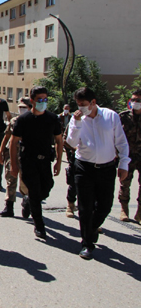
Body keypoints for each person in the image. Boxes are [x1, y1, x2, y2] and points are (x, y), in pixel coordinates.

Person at [66, 87, 129, 260]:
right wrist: (77, 123)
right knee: (85, 208)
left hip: (107, 168)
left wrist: (124, 163)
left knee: (105, 206)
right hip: (84, 168)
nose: (80, 108)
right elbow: (71, 143)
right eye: (78, 104)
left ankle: (91, 227)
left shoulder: (110, 116)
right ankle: (87, 243)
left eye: (83, 104)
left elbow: (121, 142)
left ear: (93, 102)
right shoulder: (77, 119)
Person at [9, 86, 63, 239]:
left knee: (46, 187)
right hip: (28, 161)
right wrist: (14, 165)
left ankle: (27, 200)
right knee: (35, 191)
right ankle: (39, 225)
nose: (43, 102)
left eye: (45, 99)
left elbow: (59, 140)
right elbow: (14, 142)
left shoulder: (52, 119)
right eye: (40, 100)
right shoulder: (23, 120)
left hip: (45, 161)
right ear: (32, 101)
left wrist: (59, 161)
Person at [0, 98, 31, 217]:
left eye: (24, 107)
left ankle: (27, 202)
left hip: (26, 155)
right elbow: (6, 137)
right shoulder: (13, 121)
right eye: (20, 107)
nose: (21, 109)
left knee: (25, 181)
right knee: (10, 179)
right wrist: (0, 152)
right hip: (12, 154)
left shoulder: (33, 121)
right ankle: (9, 206)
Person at [119, 89, 141, 222]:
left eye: (138, 100)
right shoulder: (123, 117)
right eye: (133, 100)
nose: (135, 103)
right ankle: (124, 209)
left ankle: (139, 212)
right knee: (125, 183)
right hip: (128, 156)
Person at [59, 104, 78, 218]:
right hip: (76, 156)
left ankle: (92, 218)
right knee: (73, 184)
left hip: (93, 159)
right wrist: (73, 148)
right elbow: (65, 139)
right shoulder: (73, 122)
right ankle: (70, 205)